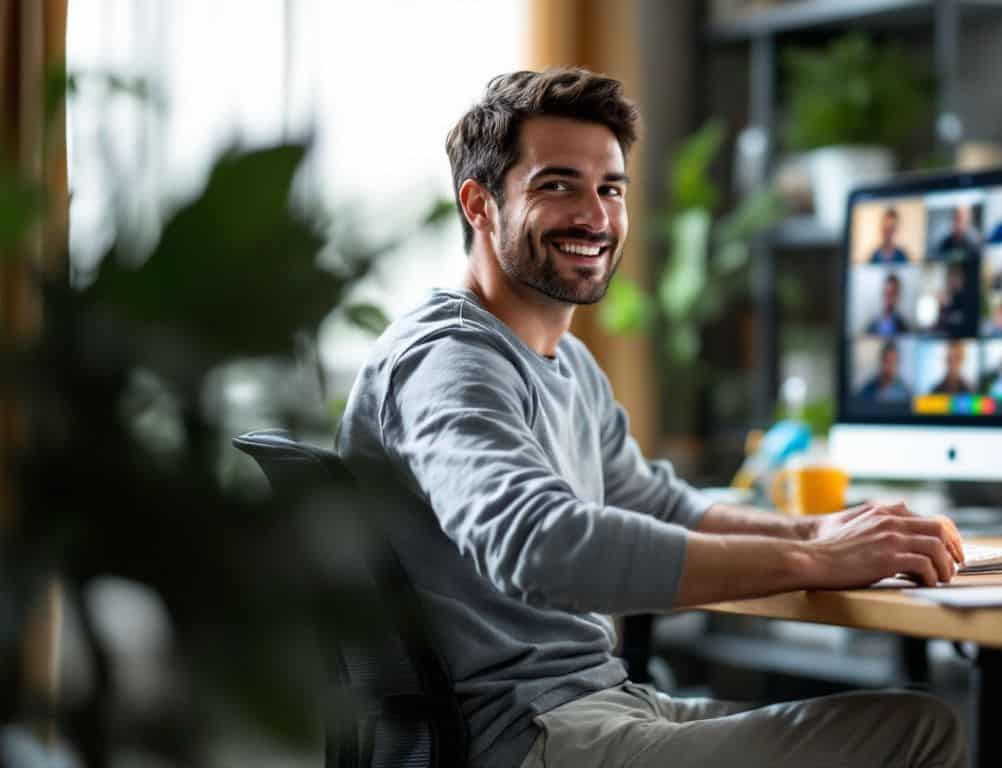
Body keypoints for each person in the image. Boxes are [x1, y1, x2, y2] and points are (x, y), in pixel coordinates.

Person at [337, 69, 967, 768]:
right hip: (520, 737)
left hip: (596, 705)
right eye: (557, 185)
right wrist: (812, 559)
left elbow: (660, 504)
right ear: (479, 205)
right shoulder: (448, 359)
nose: (595, 216)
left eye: (610, 189)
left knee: (896, 717)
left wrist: (815, 527)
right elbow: (540, 544)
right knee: (917, 730)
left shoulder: (565, 363)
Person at [936, 263, 976, 336]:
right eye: (951, 277)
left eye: (957, 277)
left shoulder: (967, 298)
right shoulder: (946, 297)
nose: (953, 280)